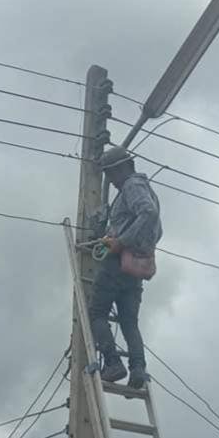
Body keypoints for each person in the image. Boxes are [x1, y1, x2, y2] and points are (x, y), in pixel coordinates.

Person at [88, 145, 162, 389]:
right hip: (135, 267)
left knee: (96, 313)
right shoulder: (146, 189)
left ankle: (113, 363)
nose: (111, 180)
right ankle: (138, 368)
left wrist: (121, 241)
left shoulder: (132, 186)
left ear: (123, 168)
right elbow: (155, 228)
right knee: (129, 321)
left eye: (111, 173)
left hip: (118, 263)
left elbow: (147, 213)